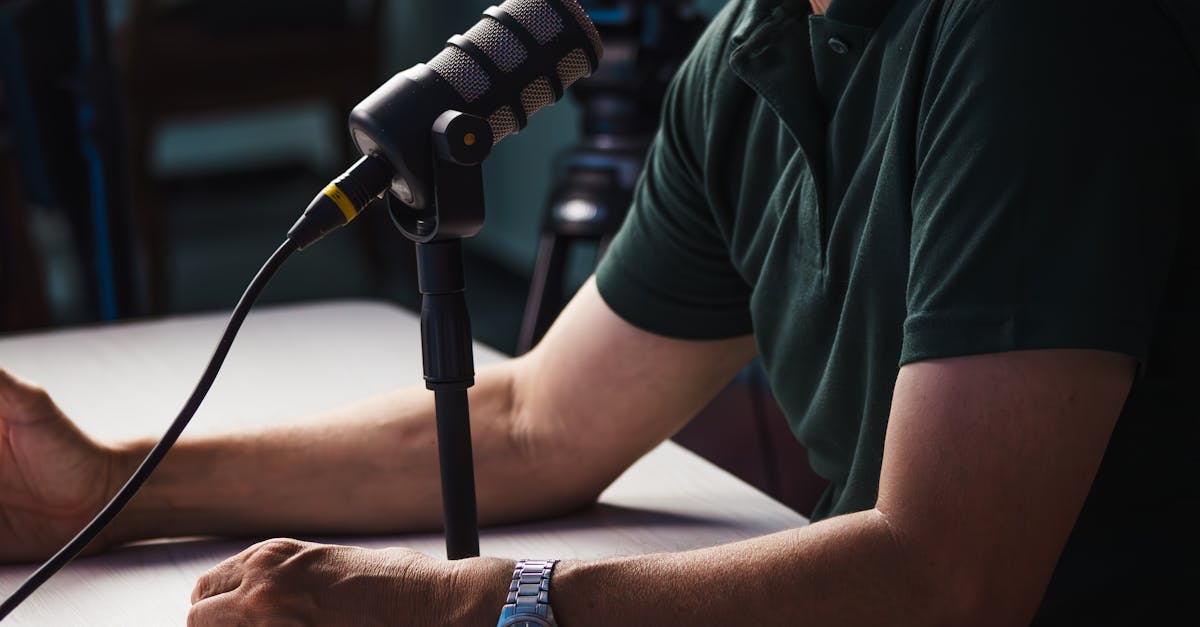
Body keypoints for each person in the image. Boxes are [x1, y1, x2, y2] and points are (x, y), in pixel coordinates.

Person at [2, 0, 1197, 624]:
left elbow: (950, 580)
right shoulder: (752, 51)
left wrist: (477, 610)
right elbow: (536, 421)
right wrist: (108, 490)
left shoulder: (1036, 33)